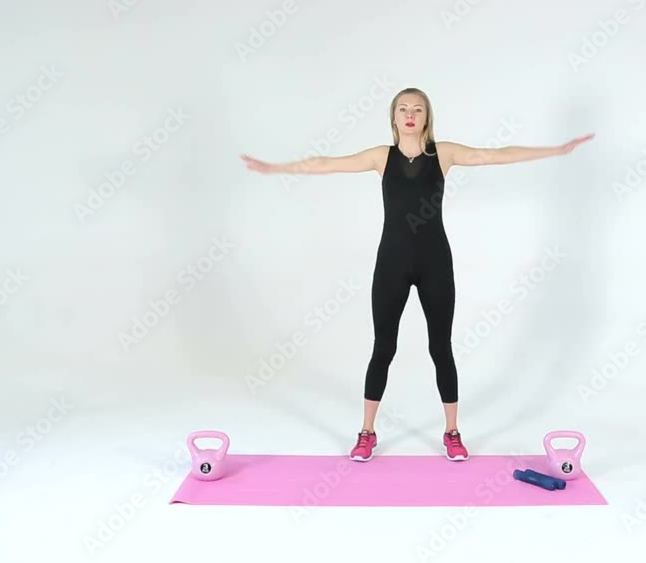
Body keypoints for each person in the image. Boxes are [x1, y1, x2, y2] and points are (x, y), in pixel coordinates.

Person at [241, 87, 594, 463]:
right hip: (391, 262)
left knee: (441, 348)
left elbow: (497, 155)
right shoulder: (381, 157)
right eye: (403, 109)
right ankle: (366, 432)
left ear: (427, 117)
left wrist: (555, 151)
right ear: (394, 118)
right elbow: (326, 163)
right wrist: (275, 168)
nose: (410, 114)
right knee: (384, 348)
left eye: (418, 109)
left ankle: (453, 432)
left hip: (435, 263)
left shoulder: (443, 154)